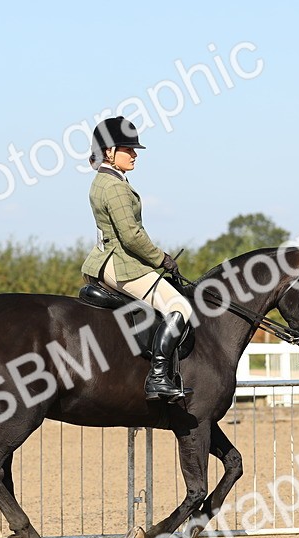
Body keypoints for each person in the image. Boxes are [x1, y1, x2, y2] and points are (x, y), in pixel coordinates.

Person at [80, 116, 193, 402]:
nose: (134, 155)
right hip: (122, 264)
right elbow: (131, 235)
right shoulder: (115, 187)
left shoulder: (104, 181)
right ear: (108, 152)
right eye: (128, 149)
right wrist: (161, 258)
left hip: (106, 260)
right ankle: (157, 377)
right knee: (180, 306)